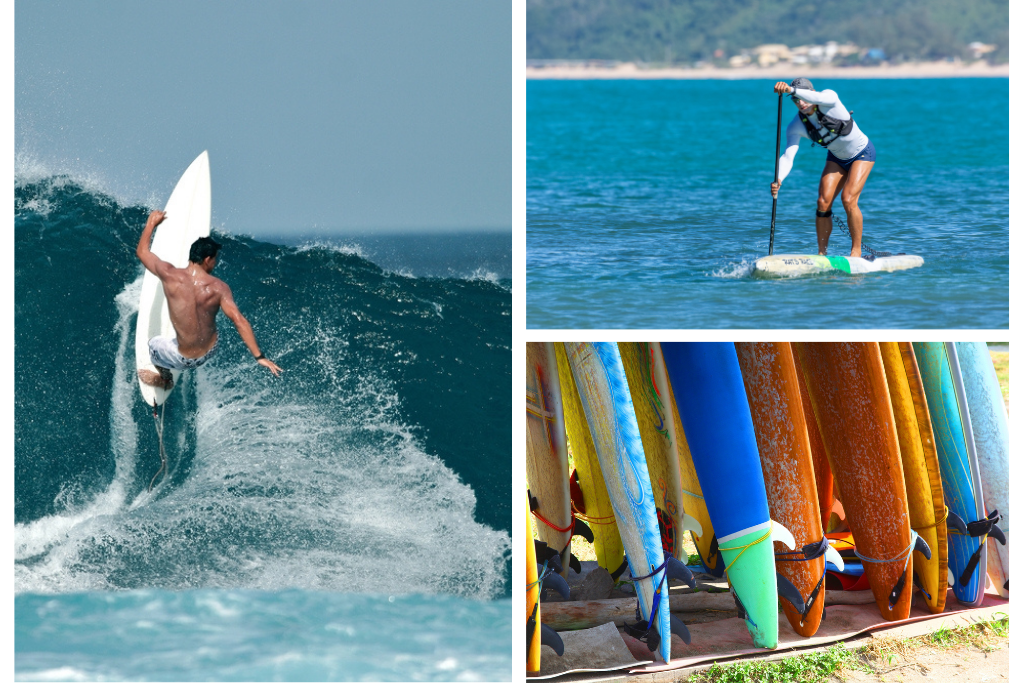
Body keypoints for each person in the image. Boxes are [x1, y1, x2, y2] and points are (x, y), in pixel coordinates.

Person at [136, 210, 282, 389]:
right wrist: (260, 357)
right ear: (207, 259)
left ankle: (165, 380)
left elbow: (142, 252)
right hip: (210, 350)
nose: (215, 263)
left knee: (153, 343)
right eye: (215, 260)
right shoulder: (219, 288)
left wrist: (151, 223)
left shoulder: (170, 275)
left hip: (183, 358)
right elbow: (240, 321)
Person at [770, 78, 875, 258]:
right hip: (836, 157)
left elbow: (815, 96)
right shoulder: (796, 126)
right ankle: (821, 255)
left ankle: (856, 252)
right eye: (795, 101)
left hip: (862, 153)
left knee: (848, 199)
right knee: (822, 203)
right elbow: (788, 156)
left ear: (812, 93)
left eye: (802, 97)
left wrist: (791, 90)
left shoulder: (829, 98)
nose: (800, 103)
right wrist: (778, 178)